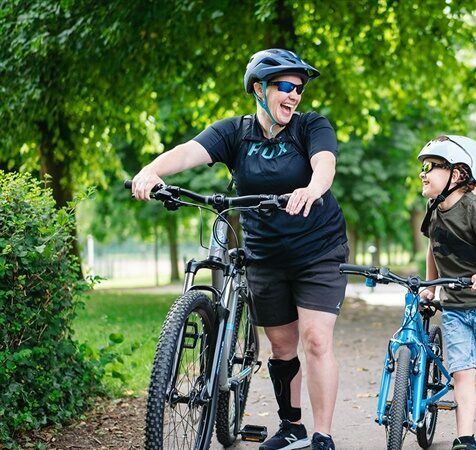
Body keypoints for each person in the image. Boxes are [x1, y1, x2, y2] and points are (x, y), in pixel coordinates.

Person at [130, 48, 347, 450]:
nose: (295, 95)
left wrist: (312, 189)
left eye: (299, 88)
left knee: (316, 340)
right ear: (259, 88)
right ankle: (292, 427)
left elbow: (325, 164)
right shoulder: (235, 132)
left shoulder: (310, 127)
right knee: (282, 346)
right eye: (285, 86)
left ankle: (323, 435)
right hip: (265, 254)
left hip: (318, 250)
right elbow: (188, 152)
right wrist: (152, 170)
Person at [417, 135, 476, 450]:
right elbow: (434, 247)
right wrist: (431, 286)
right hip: (455, 308)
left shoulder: (473, 208)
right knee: (462, 373)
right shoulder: (434, 209)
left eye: (432, 167)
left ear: (457, 174)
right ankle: (464, 438)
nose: (423, 173)